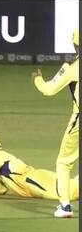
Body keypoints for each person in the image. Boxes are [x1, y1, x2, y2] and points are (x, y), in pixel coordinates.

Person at [31, 29, 79, 218]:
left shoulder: (72, 67)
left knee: (64, 162)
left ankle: (65, 207)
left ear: (75, 45)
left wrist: (37, 79)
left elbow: (49, 89)